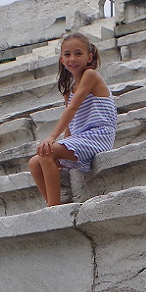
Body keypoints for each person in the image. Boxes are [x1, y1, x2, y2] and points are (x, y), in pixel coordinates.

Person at [28, 32, 117, 207]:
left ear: (89, 57)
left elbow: (73, 108)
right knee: (34, 163)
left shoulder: (91, 75)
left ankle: (53, 208)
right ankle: (54, 205)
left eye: (78, 53)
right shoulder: (69, 91)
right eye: (67, 54)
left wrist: (52, 138)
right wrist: (61, 146)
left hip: (98, 136)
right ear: (62, 59)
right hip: (80, 139)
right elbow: (71, 122)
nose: (72, 58)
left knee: (47, 151)